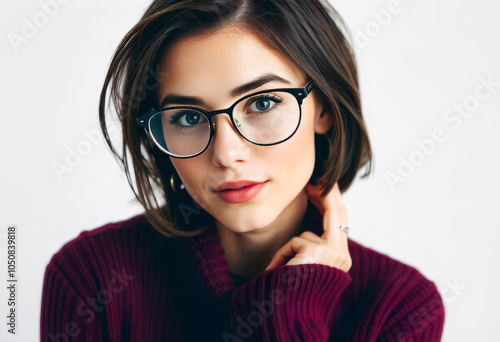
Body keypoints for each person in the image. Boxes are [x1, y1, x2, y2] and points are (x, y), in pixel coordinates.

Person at [40, 0, 445, 341]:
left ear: (322, 107)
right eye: (185, 117)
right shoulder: (90, 278)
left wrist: (291, 305)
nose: (227, 154)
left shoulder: (401, 306)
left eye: (263, 103)